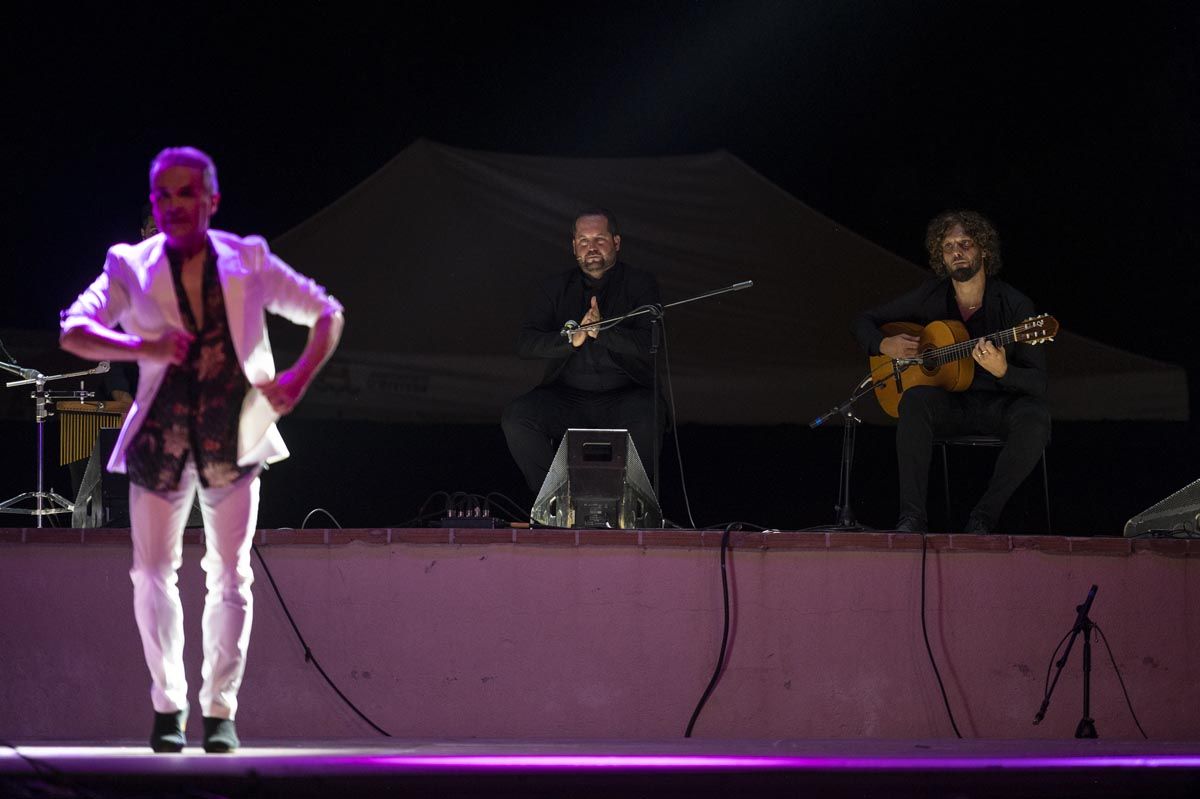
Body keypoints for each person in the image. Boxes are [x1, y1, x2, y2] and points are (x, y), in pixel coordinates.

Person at [60, 147, 344, 753]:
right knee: (152, 573)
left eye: (186, 194)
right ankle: (168, 706)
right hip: (160, 437)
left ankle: (219, 711)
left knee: (231, 574)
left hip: (232, 434)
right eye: (163, 196)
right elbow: (72, 329)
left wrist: (294, 381)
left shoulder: (249, 259)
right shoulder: (129, 263)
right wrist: (144, 348)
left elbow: (326, 312)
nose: (174, 206)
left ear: (211, 201)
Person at [851, 210, 1049, 534]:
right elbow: (862, 321)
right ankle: (911, 519)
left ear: (984, 250)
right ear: (941, 257)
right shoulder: (931, 294)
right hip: (951, 403)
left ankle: (983, 517)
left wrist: (1004, 370)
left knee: (1037, 418)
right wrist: (882, 345)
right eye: (948, 246)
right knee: (914, 400)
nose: (957, 251)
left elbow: (1038, 383)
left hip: (998, 404)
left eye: (966, 243)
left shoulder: (1016, 306)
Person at [502, 209, 665, 495]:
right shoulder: (554, 287)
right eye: (583, 240)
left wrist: (603, 331)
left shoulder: (639, 284)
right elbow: (525, 344)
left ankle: (629, 505)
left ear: (616, 242)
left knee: (651, 414)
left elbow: (648, 344)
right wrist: (570, 339)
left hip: (625, 396)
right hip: (567, 397)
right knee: (518, 417)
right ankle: (555, 501)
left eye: (599, 239)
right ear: (574, 246)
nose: (591, 247)